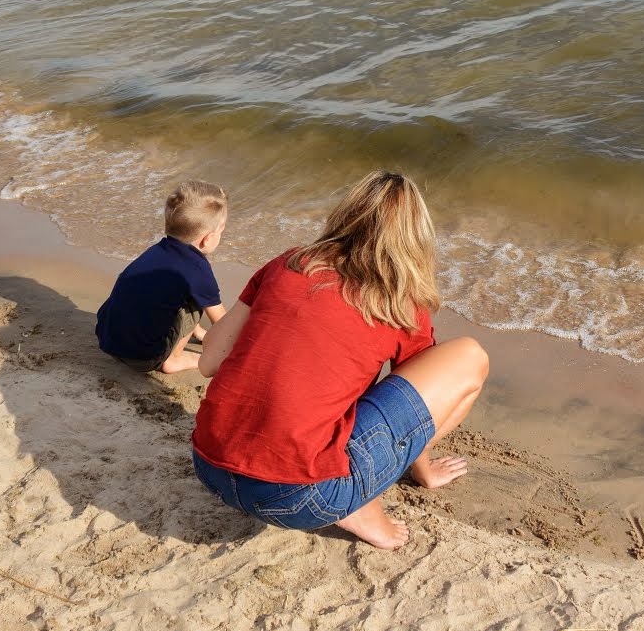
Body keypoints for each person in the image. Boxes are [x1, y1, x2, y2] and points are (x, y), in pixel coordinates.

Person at [191, 169, 488, 550]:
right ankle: (359, 504)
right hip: (303, 498)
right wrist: (424, 471)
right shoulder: (399, 299)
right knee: (469, 356)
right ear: (416, 239)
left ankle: (344, 483)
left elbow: (209, 362)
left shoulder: (290, 263)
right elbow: (416, 405)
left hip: (209, 465)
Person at [96, 180, 228, 374]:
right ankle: (174, 359)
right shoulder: (198, 269)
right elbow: (223, 323)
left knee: (166, 291)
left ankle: (198, 332)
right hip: (145, 357)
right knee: (195, 298)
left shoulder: (156, 251)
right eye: (221, 231)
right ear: (207, 238)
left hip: (107, 340)